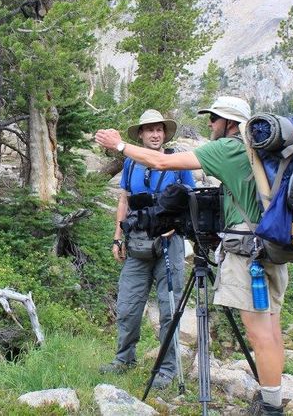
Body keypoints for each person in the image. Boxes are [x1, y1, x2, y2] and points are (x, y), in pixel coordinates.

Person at [95, 96, 287, 416]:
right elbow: (127, 197)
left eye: (214, 119)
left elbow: (162, 164)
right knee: (271, 330)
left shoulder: (229, 148)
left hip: (246, 251)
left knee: (259, 332)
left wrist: (118, 145)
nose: (210, 124)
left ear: (229, 123)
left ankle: (270, 408)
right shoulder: (260, 150)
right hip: (272, 246)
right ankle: (272, 399)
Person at [99, 109, 195, 390]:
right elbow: (124, 201)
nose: (155, 134)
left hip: (170, 244)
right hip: (138, 243)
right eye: (149, 130)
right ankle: (123, 359)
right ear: (140, 134)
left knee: (169, 309)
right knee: (128, 306)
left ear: (164, 134)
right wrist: (118, 237)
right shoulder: (131, 164)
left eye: (159, 130)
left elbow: (191, 200)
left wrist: (176, 226)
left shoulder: (177, 163)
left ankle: (166, 370)